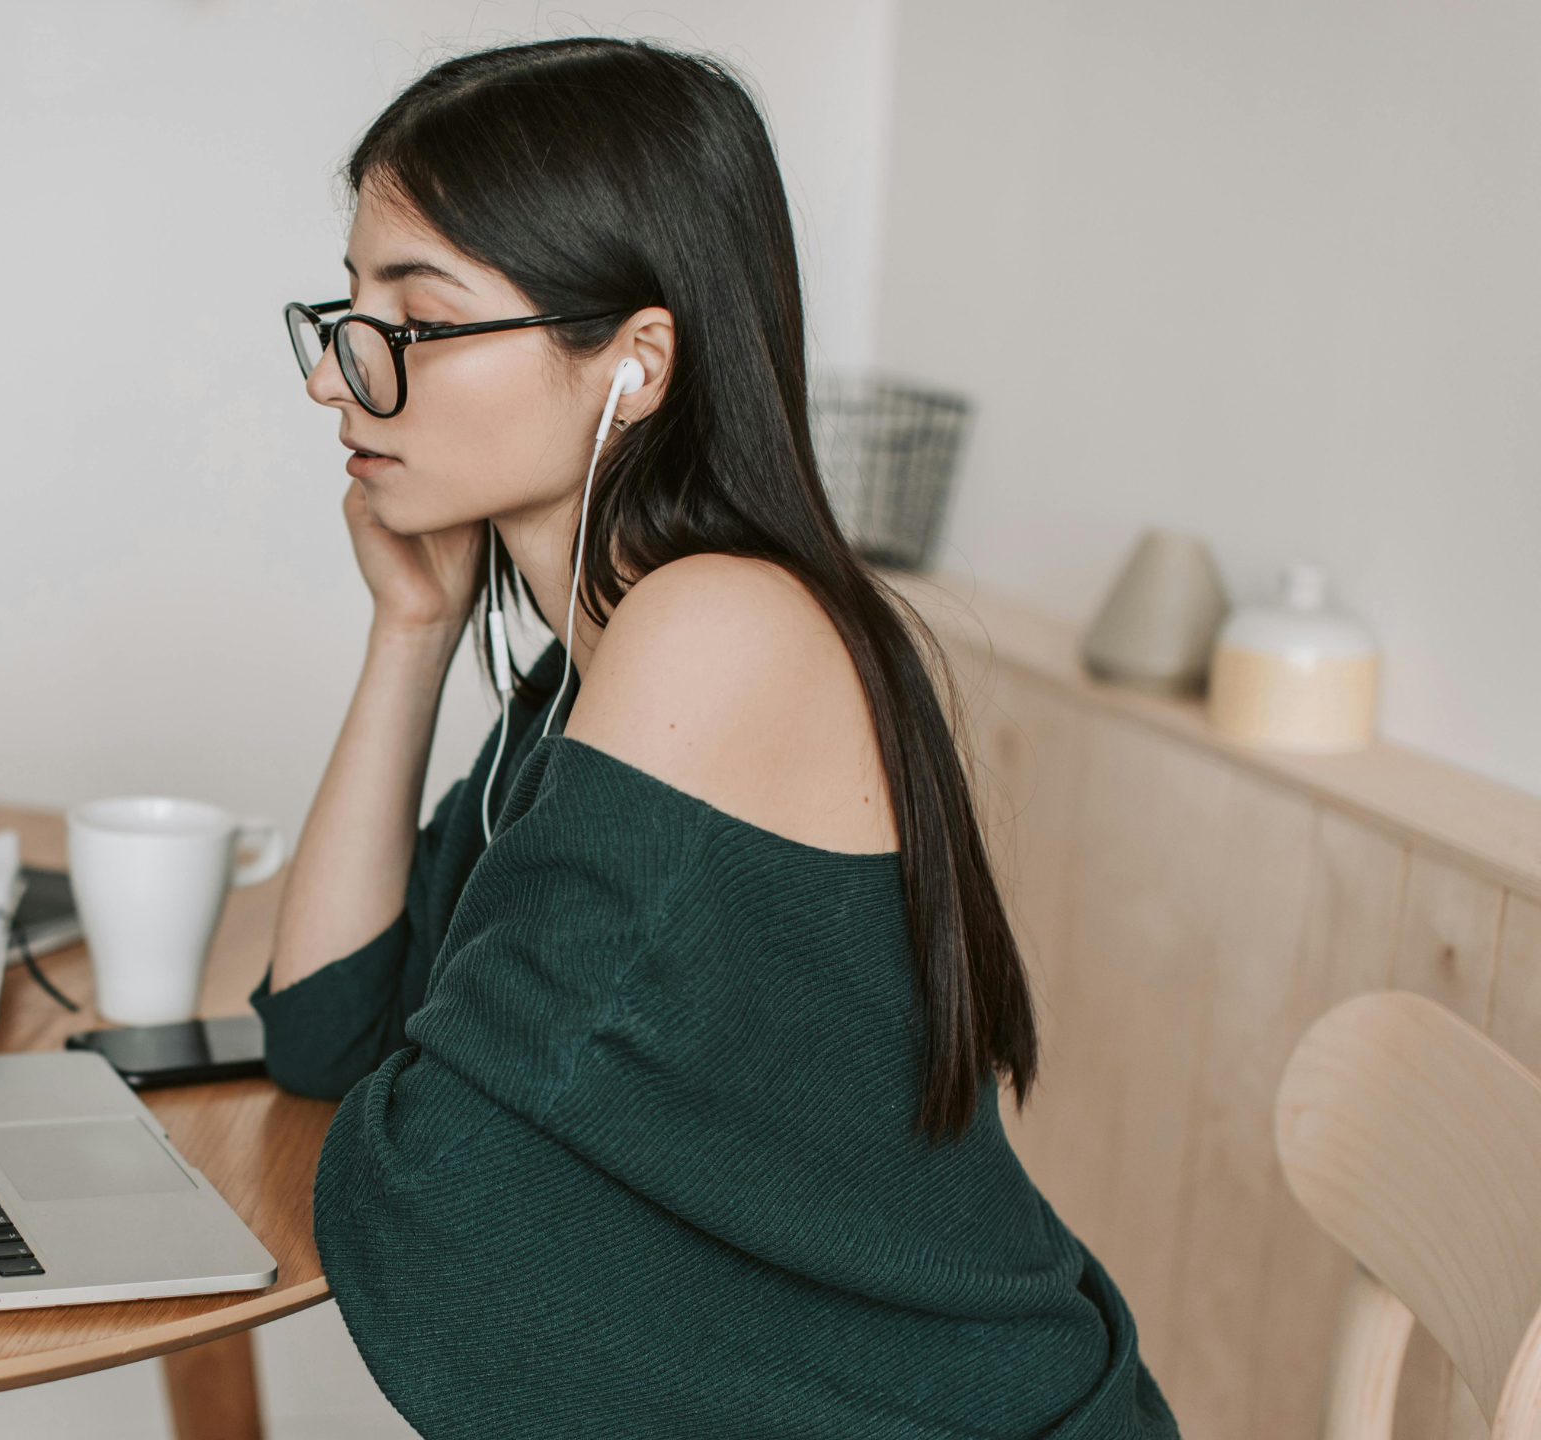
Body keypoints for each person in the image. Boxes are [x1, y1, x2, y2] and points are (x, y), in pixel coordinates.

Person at [252, 37, 1178, 1439]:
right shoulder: (589, 663)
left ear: (634, 361)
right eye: (346, 313)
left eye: (415, 324)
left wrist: (417, 1112)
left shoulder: (718, 629)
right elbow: (329, 1035)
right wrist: (410, 636)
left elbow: (436, 1189)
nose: (339, 381)